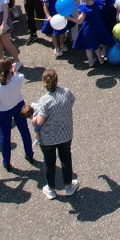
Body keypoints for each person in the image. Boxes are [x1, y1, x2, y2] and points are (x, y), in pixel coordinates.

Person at [32, 67, 77, 198]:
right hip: (65, 134)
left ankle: (51, 189)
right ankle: (69, 186)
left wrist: (33, 117)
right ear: (56, 80)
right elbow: (72, 101)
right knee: (66, 160)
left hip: (48, 139)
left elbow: (39, 122)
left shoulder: (44, 101)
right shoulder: (66, 93)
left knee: (49, 163)